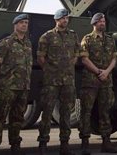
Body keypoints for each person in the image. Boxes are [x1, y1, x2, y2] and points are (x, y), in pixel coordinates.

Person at [36, 8, 80, 155]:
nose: (65, 20)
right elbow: (41, 58)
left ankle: (64, 145)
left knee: (66, 113)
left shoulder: (73, 36)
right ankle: (43, 144)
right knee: (47, 113)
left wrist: (68, 66)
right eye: (62, 18)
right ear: (56, 20)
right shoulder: (46, 37)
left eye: (67, 18)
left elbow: (76, 55)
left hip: (68, 81)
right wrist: (51, 70)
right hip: (51, 81)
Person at [0, 13, 33, 155]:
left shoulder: (28, 43)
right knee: (0, 117)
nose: (24, 25)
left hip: (23, 87)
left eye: (26, 23)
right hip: (8, 88)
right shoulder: (6, 42)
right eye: (22, 23)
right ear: (15, 25)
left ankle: (15, 145)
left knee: (18, 118)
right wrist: (2, 81)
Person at [79, 12, 117, 154]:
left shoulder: (110, 39)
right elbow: (84, 59)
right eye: (100, 21)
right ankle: (84, 143)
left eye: (104, 21)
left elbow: (114, 58)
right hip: (91, 81)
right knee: (86, 112)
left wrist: (106, 72)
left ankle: (106, 142)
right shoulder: (87, 39)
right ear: (94, 23)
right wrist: (97, 71)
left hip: (106, 81)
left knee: (105, 111)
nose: (103, 23)